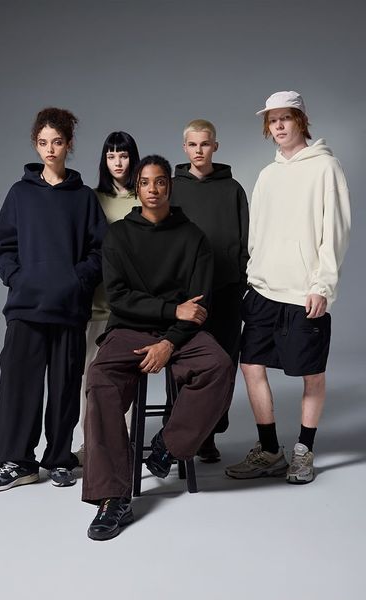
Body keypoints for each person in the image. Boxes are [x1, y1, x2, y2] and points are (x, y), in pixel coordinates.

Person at [83, 155, 234, 540]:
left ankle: (168, 443)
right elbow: (119, 298)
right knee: (99, 379)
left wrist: (169, 341)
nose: (153, 189)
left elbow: (199, 305)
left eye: (161, 181)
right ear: (137, 188)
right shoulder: (118, 235)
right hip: (129, 329)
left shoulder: (193, 237)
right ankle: (113, 497)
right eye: (146, 182)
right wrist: (170, 310)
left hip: (180, 333)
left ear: (171, 186)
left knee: (218, 364)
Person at [225, 91, 351, 484]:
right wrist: (254, 276)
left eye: (286, 118)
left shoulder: (326, 167)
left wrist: (322, 286)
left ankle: (303, 451)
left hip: (304, 291)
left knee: (312, 372)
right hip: (265, 290)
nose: (279, 125)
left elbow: (336, 231)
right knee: (250, 366)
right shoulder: (268, 174)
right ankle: (269, 451)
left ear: (301, 121)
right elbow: (257, 232)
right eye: (272, 120)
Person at [0, 107, 107, 492]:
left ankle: (59, 459)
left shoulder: (83, 198)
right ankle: (18, 463)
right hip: (26, 306)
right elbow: (4, 247)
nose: (50, 149)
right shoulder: (20, 194)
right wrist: (17, 279)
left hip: (68, 307)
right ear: (36, 145)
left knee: (65, 387)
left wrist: (76, 281)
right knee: (19, 386)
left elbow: (100, 251)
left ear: (69, 144)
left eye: (57, 142)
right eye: (43, 142)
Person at [171, 119, 249, 462]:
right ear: (184, 148)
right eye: (193, 144)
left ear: (215, 146)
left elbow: (245, 241)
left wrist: (241, 281)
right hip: (185, 293)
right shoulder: (173, 188)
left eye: (205, 144)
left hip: (227, 289)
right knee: (183, 361)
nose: (199, 150)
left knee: (224, 362)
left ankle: (209, 434)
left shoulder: (232, 189)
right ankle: (180, 434)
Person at [74, 131, 140, 466]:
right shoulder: (92, 199)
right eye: (111, 156)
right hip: (96, 303)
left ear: (132, 158)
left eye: (123, 155)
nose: (118, 162)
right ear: (104, 160)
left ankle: (121, 444)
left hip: (130, 306)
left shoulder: (144, 197)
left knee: (123, 379)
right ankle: (90, 444)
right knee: (90, 377)